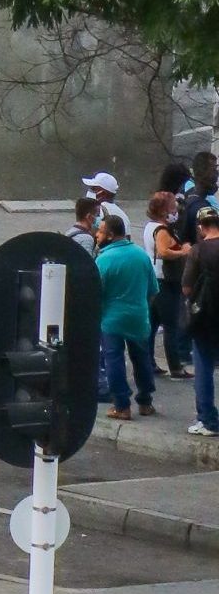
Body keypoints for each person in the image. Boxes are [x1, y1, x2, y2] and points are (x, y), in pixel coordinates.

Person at [96, 212, 157, 420]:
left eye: (100, 231)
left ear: (110, 235)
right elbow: (152, 290)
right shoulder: (141, 256)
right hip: (139, 317)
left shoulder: (103, 260)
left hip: (112, 319)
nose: (97, 235)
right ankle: (146, 401)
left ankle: (122, 405)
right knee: (142, 359)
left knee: (114, 359)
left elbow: (96, 293)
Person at [146, 187, 194, 379]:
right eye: (173, 207)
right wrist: (184, 251)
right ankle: (176, 367)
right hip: (167, 282)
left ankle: (149, 362)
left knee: (152, 325)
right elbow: (164, 251)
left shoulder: (150, 226)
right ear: (164, 210)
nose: (176, 211)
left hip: (155, 280)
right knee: (171, 325)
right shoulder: (162, 230)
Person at [183, 205, 219, 437]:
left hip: (205, 317)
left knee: (204, 367)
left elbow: (186, 287)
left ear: (201, 226)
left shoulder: (198, 251)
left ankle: (207, 419)